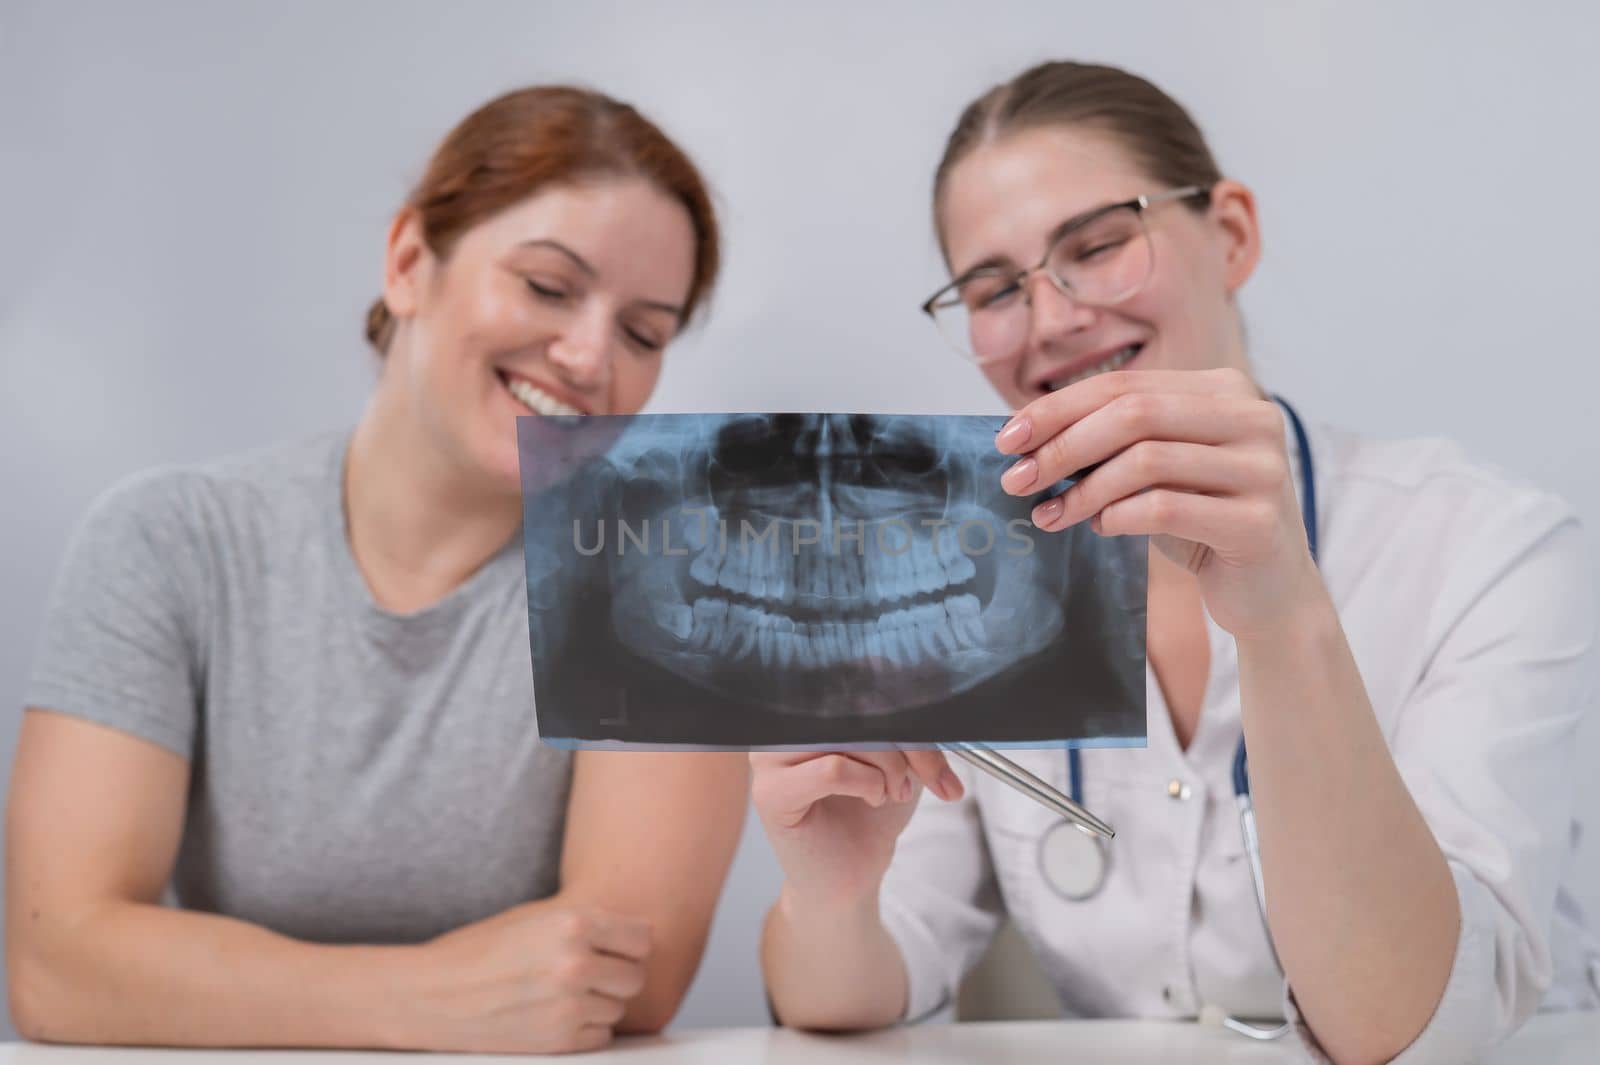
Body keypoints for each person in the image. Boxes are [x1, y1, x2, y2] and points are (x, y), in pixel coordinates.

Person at [753, 60, 1599, 1064]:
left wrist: (1282, 614)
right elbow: (848, 1001)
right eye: (993, 290)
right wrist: (834, 896)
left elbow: (1413, 1029)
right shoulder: (953, 590)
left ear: (1230, 233)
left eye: (1098, 245)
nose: (1052, 320)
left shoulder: (1486, 549)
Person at [7, 85, 748, 1054]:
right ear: (408, 263)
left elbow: (620, 984)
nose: (586, 355)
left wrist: (195, 978)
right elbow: (58, 964)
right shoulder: (168, 540)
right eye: (547, 285)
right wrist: (424, 996)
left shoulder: (669, 583)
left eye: (642, 333)